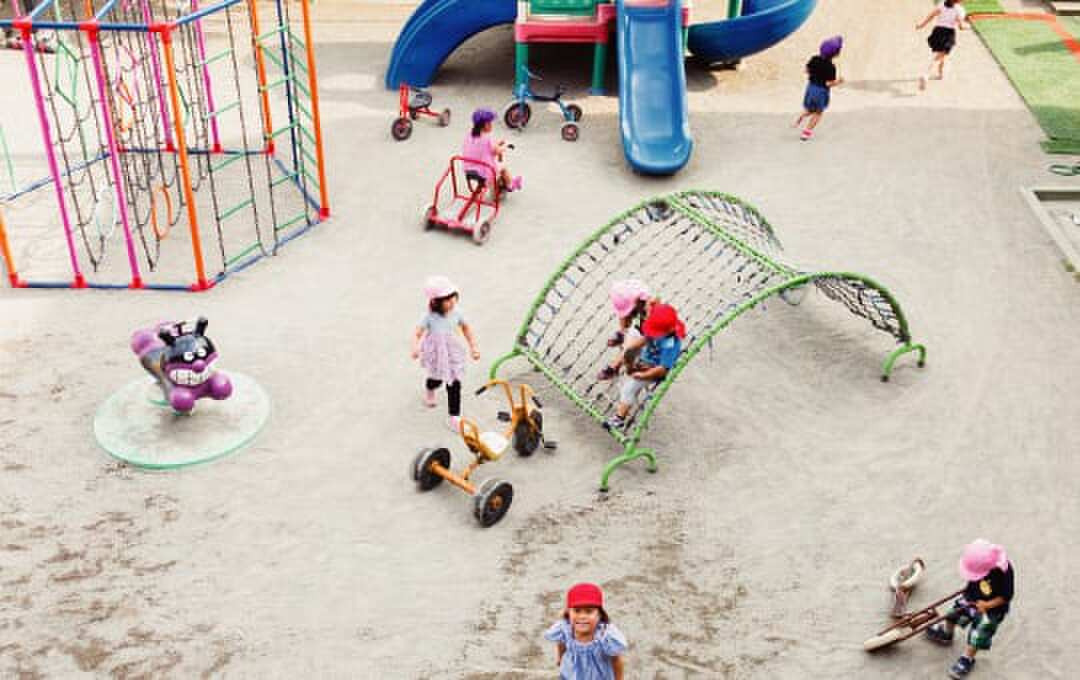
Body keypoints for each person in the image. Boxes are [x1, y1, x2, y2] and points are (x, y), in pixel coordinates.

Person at [925, 539, 1015, 678]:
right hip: (972, 597)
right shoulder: (977, 566)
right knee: (952, 614)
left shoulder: (1005, 571)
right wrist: (968, 591)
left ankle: (967, 658)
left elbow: (1006, 596)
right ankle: (947, 633)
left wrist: (987, 605)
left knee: (978, 634)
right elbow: (973, 579)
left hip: (992, 610)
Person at [410, 275, 480, 432]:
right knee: (436, 380)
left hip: (452, 352)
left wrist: (473, 346)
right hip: (436, 353)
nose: (452, 302)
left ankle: (454, 416)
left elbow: (466, 328)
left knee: (454, 383)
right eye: (446, 300)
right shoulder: (429, 316)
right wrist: (415, 347)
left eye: (453, 297)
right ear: (435, 302)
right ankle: (430, 389)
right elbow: (417, 332)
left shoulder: (457, 312)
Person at [603, 303, 684, 431]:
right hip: (643, 360)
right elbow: (643, 340)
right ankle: (619, 370)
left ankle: (619, 419)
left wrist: (643, 375)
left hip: (654, 370)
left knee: (629, 389)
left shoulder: (670, 343)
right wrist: (629, 350)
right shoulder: (656, 329)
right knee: (628, 355)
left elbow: (663, 368)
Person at [544, 583, 627, 680]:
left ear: (599, 614)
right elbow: (561, 643)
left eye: (589, 611)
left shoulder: (605, 636)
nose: (582, 616)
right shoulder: (565, 628)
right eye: (577, 611)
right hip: (571, 673)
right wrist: (560, 657)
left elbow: (617, 660)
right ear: (568, 612)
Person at [596, 279, 654, 381]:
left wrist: (630, 347)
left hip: (651, 334)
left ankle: (615, 365)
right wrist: (624, 330)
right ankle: (623, 334)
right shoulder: (629, 293)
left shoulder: (651, 311)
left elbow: (644, 339)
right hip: (638, 309)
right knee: (627, 321)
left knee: (632, 345)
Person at [794, 35, 844, 141]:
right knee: (818, 113)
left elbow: (806, 70)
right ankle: (806, 132)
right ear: (836, 54)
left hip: (810, 87)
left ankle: (802, 116)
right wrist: (839, 82)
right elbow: (828, 83)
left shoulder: (814, 59)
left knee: (811, 108)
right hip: (821, 91)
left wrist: (814, 74)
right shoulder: (831, 67)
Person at [462, 108, 522, 193]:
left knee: (495, 164)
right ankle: (511, 185)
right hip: (483, 171)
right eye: (490, 123)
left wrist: (498, 143)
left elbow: (486, 147)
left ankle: (497, 185)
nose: (491, 125)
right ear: (486, 125)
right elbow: (497, 151)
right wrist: (506, 146)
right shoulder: (487, 139)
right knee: (503, 167)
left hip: (468, 169)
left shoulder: (469, 135)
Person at [916, 0, 967, 91]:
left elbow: (932, 15)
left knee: (942, 54)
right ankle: (926, 74)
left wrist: (921, 25)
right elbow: (961, 27)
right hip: (948, 34)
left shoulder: (942, 3)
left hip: (937, 31)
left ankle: (941, 72)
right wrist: (968, 26)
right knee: (940, 55)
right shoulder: (959, 9)